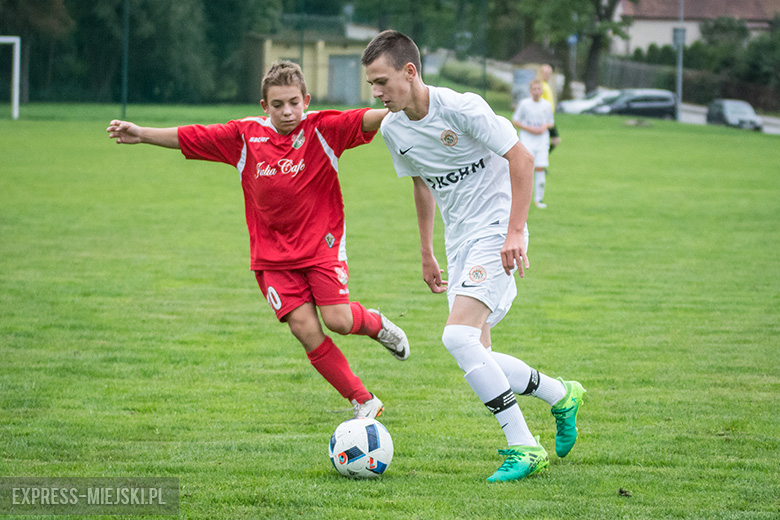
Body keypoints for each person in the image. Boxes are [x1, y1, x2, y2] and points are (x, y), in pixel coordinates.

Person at [106, 61, 409, 420]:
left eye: (294, 102)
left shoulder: (323, 130)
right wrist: (141, 133)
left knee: (339, 321)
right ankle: (363, 400)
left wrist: (407, 104)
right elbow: (192, 136)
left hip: (321, 246)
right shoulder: (244, 136)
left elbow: (370, 119)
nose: (287, 111)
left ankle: (377, 325)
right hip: (271, 257)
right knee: (305, 329)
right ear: (264, 106)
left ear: (306, 100)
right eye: (278, 105)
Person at [362, 30, 585, 482]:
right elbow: (422, 185)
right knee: (479, 352)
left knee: (457, 338)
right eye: (372, 84)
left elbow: (521, 159)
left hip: (497, 230)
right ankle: (561, 394)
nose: (376, 93)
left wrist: (515, 231)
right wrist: (426, 251)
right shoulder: (393, 130)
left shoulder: (461, 108)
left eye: (382, 81)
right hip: (459, 241)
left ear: (410, 72)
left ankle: (524, 446)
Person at [512, 78, 555, 209]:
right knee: (527, 168)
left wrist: (544, 126)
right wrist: (528, 128)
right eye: (534, 89)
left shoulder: (546, 105)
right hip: (527, 139)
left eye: (539, 89)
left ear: (542, 91)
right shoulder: (524, 104)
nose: (537, 91)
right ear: (530, 91)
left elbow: (551, 122)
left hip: (542, 140)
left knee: (540, 167)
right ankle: (522, 199)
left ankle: (538, 199)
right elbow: (515, 120)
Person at [539, 64, 561, 151]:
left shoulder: (546, 85)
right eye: (545, 73)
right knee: (555, 139)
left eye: (549, 73)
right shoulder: (540, 86)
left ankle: (542, 156)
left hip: (549, 117)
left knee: (553, 140)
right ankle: (542, 155)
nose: (547, 75)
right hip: (545, 117)